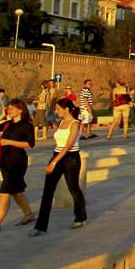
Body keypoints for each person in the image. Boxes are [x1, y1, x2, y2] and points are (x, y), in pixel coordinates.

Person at [29, 98, 87, 237]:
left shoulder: (74, 123)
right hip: (57, 154)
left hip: (71, 158)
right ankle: (41, 226)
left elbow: (68, 145)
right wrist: (54, 160)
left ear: (66, 109)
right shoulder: (60, 122)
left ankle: (80, 216)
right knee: (48, 191)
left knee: (73, 187)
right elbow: (60, 144)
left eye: (58, 109)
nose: (57, 111)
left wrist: (54, 162)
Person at [0, 99, 36, 234]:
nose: (9, 110)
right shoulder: (8, 124)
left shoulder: (26, 125)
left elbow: (30, 144)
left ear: (20, 110)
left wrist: (10, 142)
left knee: (4, 192)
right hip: (5, 161)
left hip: (17, 162)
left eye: (12, 108)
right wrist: (0, 117)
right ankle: (29, 214)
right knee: (16, 191)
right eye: (9, 108)